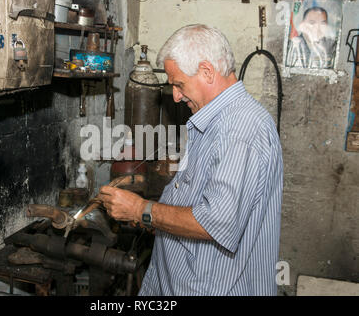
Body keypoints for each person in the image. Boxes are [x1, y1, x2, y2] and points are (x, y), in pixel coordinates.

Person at [99, 24, 283, 296]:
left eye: (179, 84)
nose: (175, 95)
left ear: (207, 72)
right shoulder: (214, 120)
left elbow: (216, 222)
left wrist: (141, 210)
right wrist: (157, 218)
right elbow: (198, 195)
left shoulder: (241, 128)